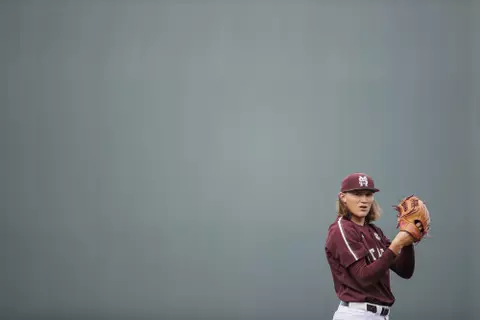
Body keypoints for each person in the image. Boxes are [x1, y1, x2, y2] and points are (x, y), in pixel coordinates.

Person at [325, 173, 422, 320]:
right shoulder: (341, 229)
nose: (363, 200)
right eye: (357, 194)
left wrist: (408, 238)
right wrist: (396, 244)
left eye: (368, 194)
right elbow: (363, 277)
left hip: (379, 315)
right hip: (356, 314)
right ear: (343, 197)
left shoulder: (375, 232)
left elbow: (405, 271)